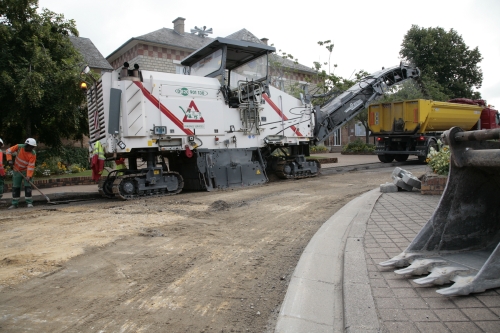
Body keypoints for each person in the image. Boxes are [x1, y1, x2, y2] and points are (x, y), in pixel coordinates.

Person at [6, 138, 37, 209]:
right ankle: (15, 203)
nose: (31, 148)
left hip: (26, 171)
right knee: (16, 187)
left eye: (33, 147)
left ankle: (29, 202)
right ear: (26, 145)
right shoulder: (19, 147)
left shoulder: (33, 153)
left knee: (28, 187)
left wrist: (28, 176)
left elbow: (31, 165)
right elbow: (8, 151)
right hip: (17, 170)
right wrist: (9, 160)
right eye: (30, 147)